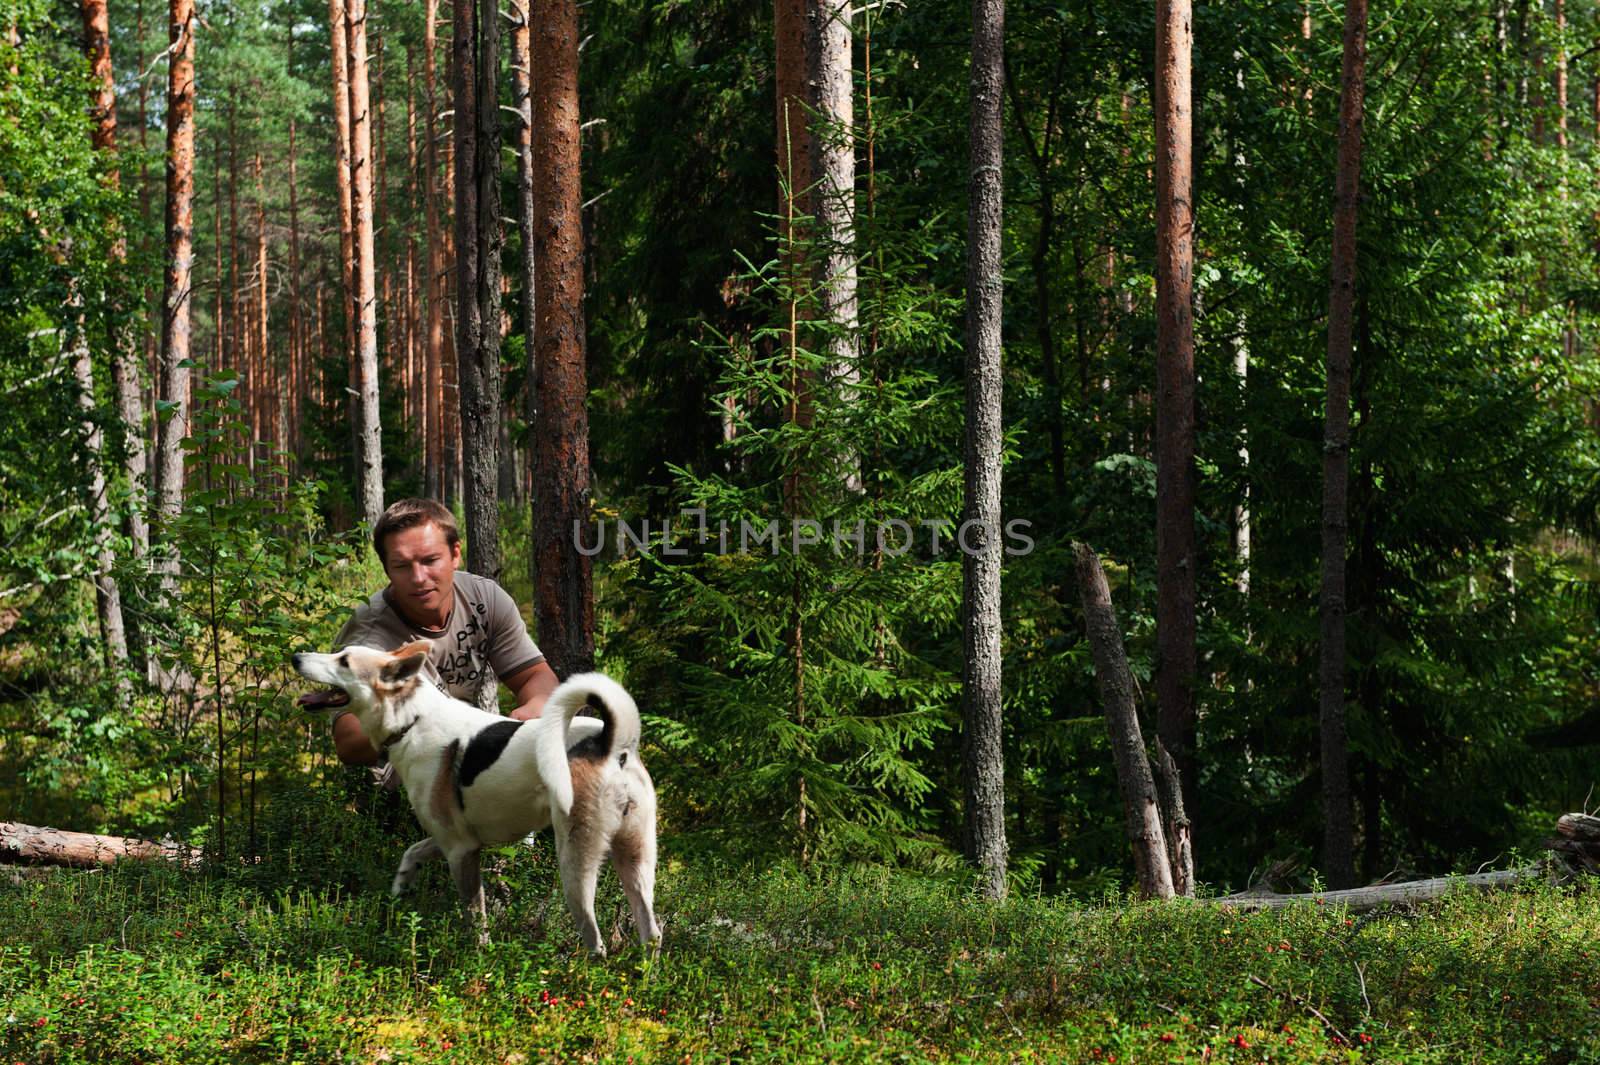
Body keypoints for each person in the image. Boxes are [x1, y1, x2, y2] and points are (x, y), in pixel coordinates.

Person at [302, 497, 560, 767]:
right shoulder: (368, 640)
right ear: (386, 568)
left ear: (455, 554)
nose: (418, 578)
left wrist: (536, 707)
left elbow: (536, 676)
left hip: (467, 763)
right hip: (398, 781)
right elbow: (349, 743)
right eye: (402, 566)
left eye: (430, 560)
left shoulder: (484, 599)